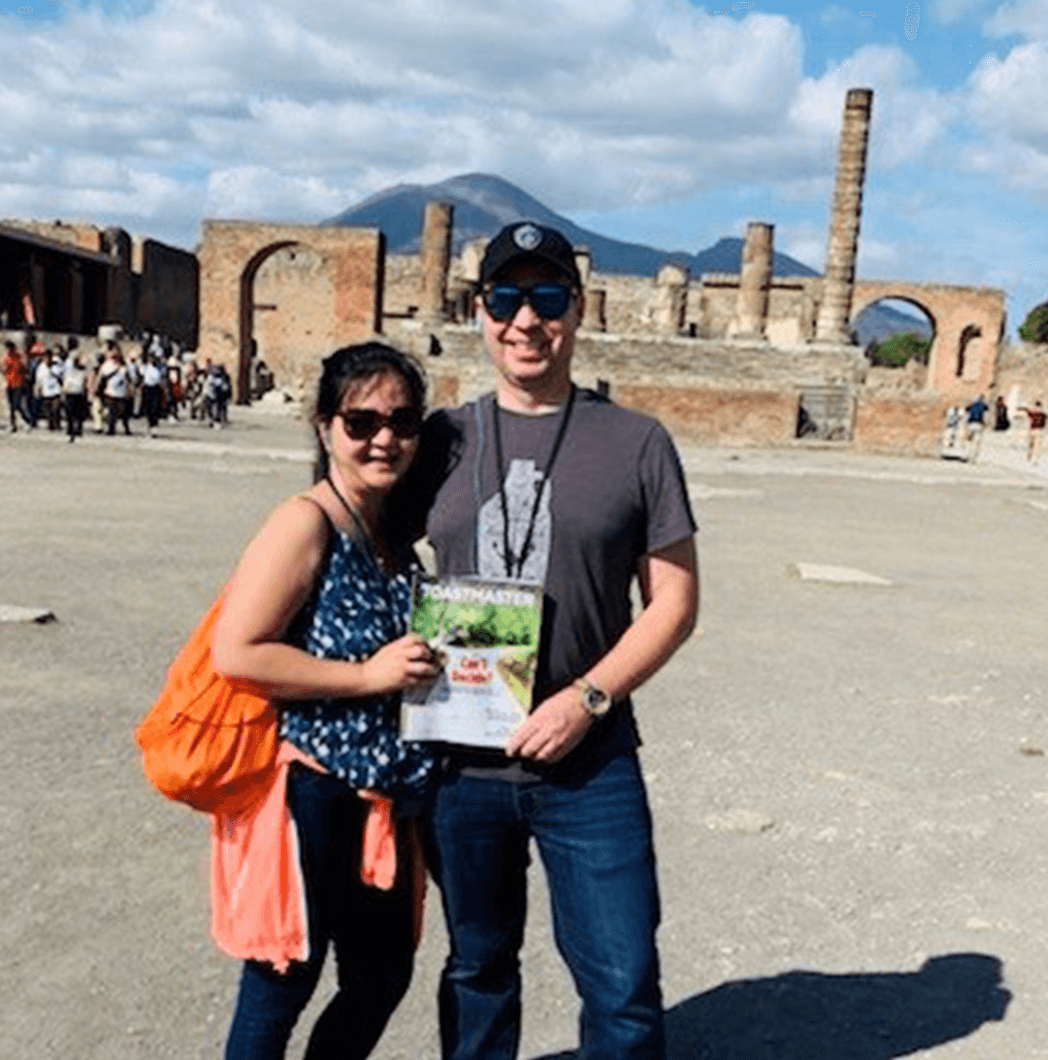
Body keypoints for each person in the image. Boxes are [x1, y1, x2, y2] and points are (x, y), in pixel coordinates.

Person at [409, 222, 700, 1060]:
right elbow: (364, 544)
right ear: (479, 311)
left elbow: (673, 602)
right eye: (506, 298)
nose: (524, 320)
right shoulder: (441, 439)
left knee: (622, 982)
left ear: (577, 311)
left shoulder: (636, 442)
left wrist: (588, 699)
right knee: (477, 968)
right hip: (462, 760)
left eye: (545, 299)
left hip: (590, 762)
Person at [209, 342, 444, 1060]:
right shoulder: (306, 521)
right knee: (282, 982)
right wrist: (366, 678)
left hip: (384, 799)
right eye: (361, 419)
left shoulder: (391, 536)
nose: (384, 438)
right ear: (324, 427)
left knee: (380, 977)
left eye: (402, 422)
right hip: (313, 792)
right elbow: (237, 651)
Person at [2, 341, 35, 432]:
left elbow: (24, 367)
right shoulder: (7, 356)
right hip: (10, 383)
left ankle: (27, 421)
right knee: (11, 406)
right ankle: (12, 424)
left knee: (18, 404)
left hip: (19, 383)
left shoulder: (20, 356)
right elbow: (4, 369)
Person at [61, 354, 90, 442]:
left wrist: (64, 392)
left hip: (72, 394)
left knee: (72, 414)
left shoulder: (72, 372)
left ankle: (72, 429)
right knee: (77, 414)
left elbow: (66, 383)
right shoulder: (82, 373)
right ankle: (77, 429)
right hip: (77, 394)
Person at [35, 349, 65, 432]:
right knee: (48, 411)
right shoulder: (41, 367)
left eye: (49, 357)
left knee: (55, 409)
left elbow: (62, 377)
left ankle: (57, 424)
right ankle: (51, 424)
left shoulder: (57, 366)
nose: (48, 359)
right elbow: (38, 380)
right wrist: (38, 390)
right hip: (46, 392)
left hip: (56, 391)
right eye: (46, 357)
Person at [140, 353, 166, 435]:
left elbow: (162, 379)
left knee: (155, 408)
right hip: (148, 388)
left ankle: (154, 427)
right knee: (148, 409)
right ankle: (149, 427)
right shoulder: (146, 367)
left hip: (156, 389)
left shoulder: (159, 368)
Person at [964, 393, 989, 461]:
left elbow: (966, 411)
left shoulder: (972, 404)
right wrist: (985, 424)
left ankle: (967, 455)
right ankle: (974, 457)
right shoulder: (984, 406)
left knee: (969, 441)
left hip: (971, 424)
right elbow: (986, 416)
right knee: (977, 442)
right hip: (979, 425)